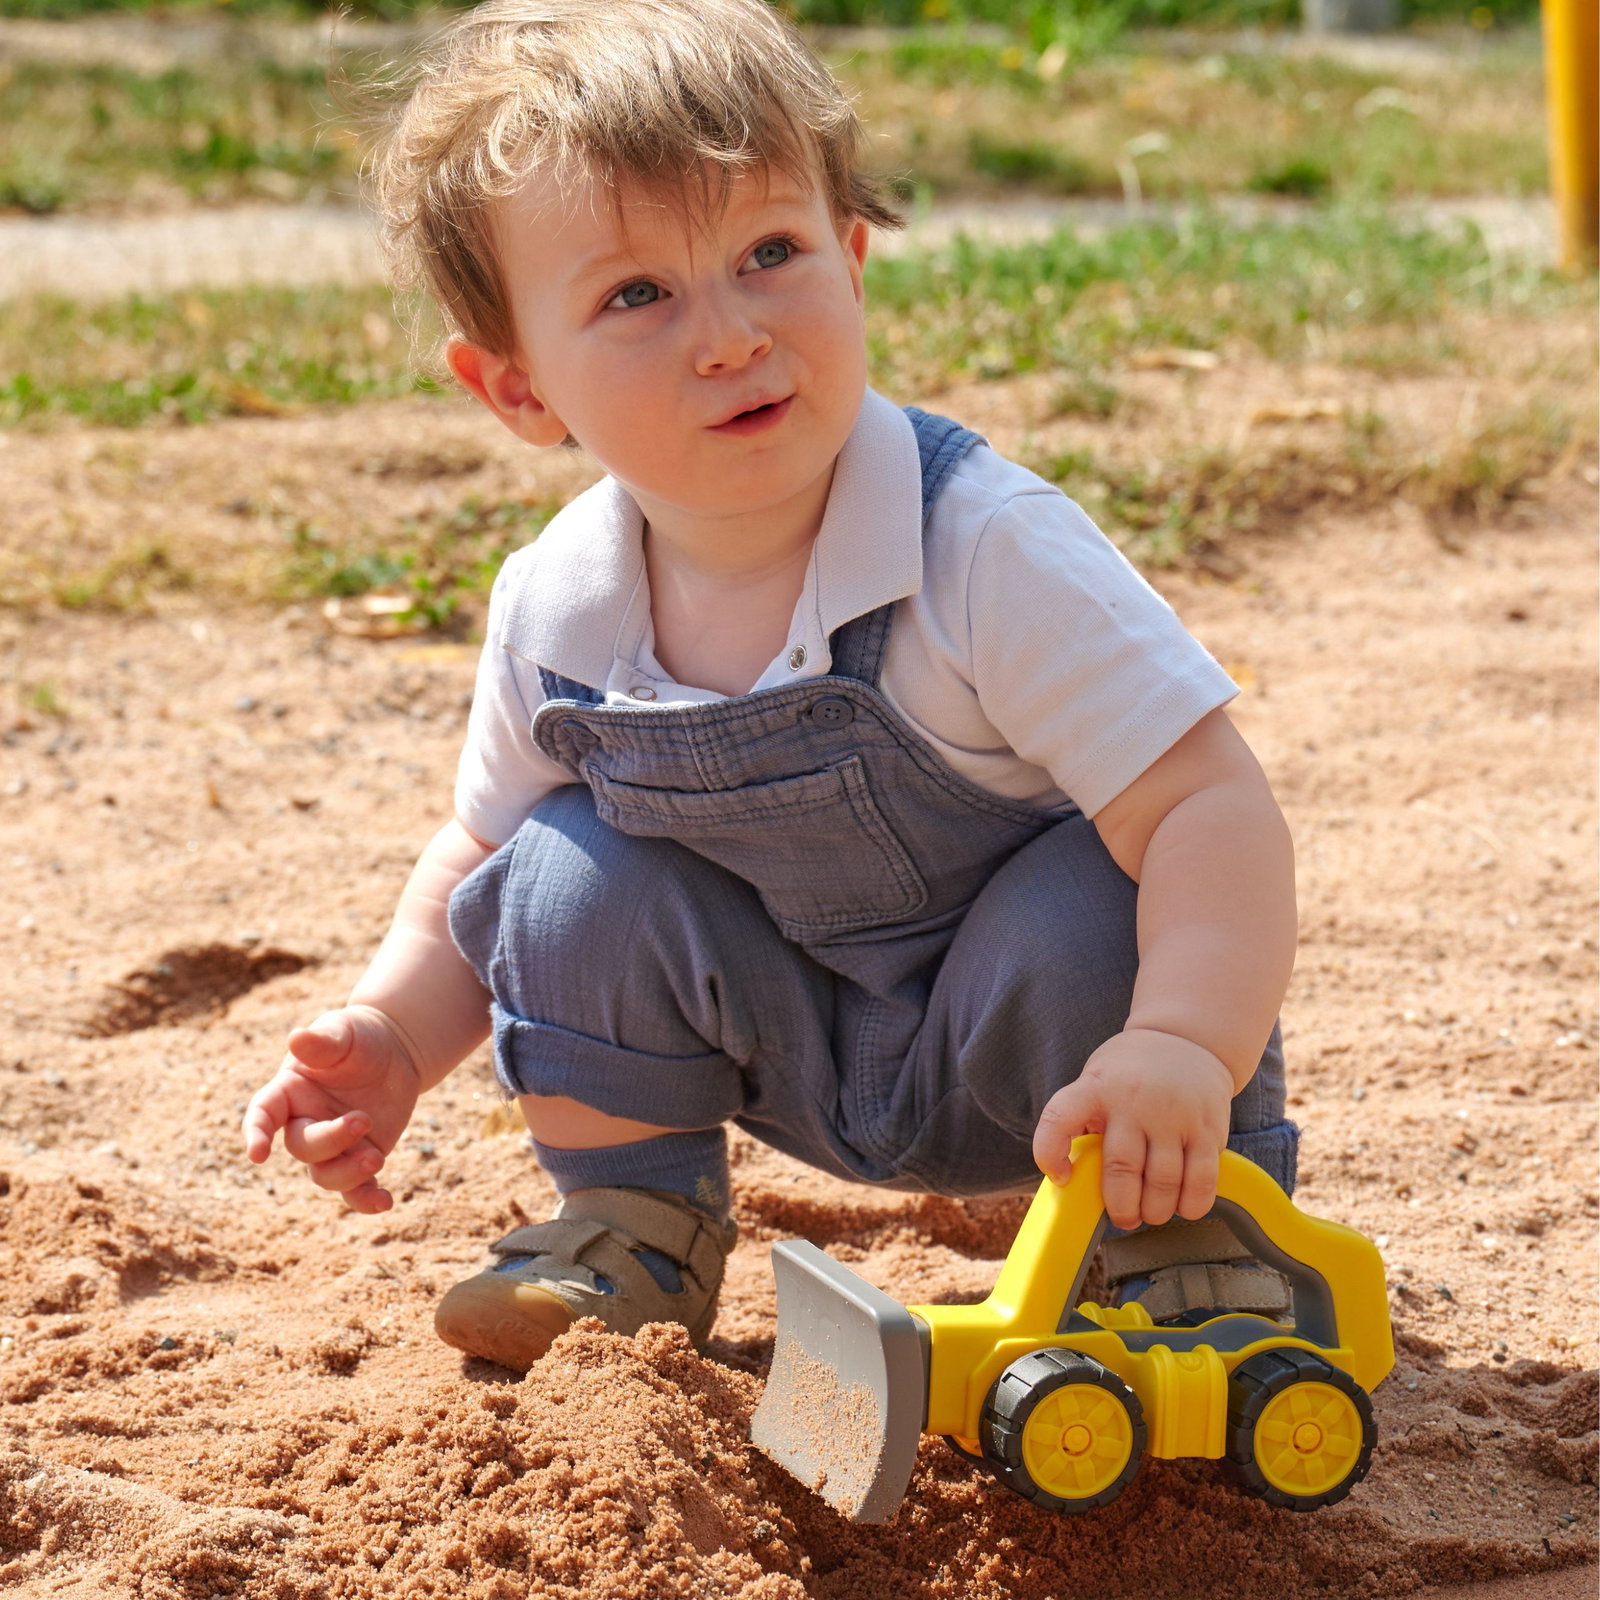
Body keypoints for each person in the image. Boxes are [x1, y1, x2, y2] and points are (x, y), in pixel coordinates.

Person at [242, 0, 1300, 1372]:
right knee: (559, 867)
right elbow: (476, 861)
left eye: (769, 254)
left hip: (1071, 1059)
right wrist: (391, 1034)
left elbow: (1214, 805)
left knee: (1099, 889)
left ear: (851, 262)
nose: (731, 335)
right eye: (637, 295)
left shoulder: (979, 545)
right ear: (516, 389)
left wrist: (1184, 1044)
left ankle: (1182, 1244)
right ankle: (633, 1225)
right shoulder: (561, 613)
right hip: (789, 1045)